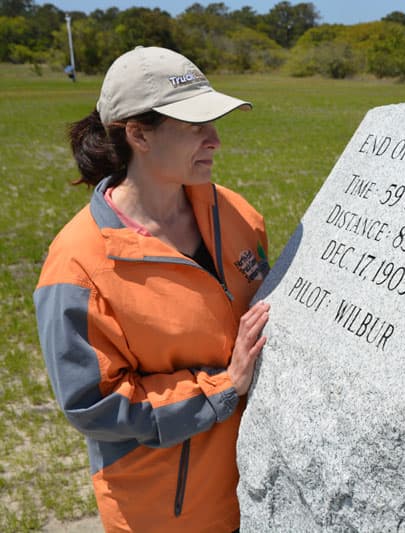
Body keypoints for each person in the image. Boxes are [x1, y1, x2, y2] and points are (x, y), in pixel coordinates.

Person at [34, 46, 271, 532]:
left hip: (260, 491)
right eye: (194, 126)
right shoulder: (77, 264)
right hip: (168, 515)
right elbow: (95, 405)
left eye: (215, 122)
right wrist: (225, 385)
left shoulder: (238, 214)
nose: (215, 141)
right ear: (138, 134)